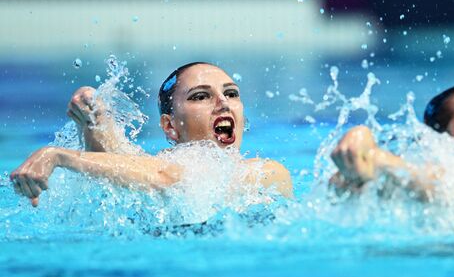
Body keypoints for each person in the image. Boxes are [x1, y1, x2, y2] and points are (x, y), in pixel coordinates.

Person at [10, 62, 293, 207]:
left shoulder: (264, 174)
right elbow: (121, 169)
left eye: (231, 93)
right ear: (170, 126)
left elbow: (167, 179)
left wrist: (57, 155)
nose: (223, 102)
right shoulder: (159, 165)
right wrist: (94, 117)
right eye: (201, 96)